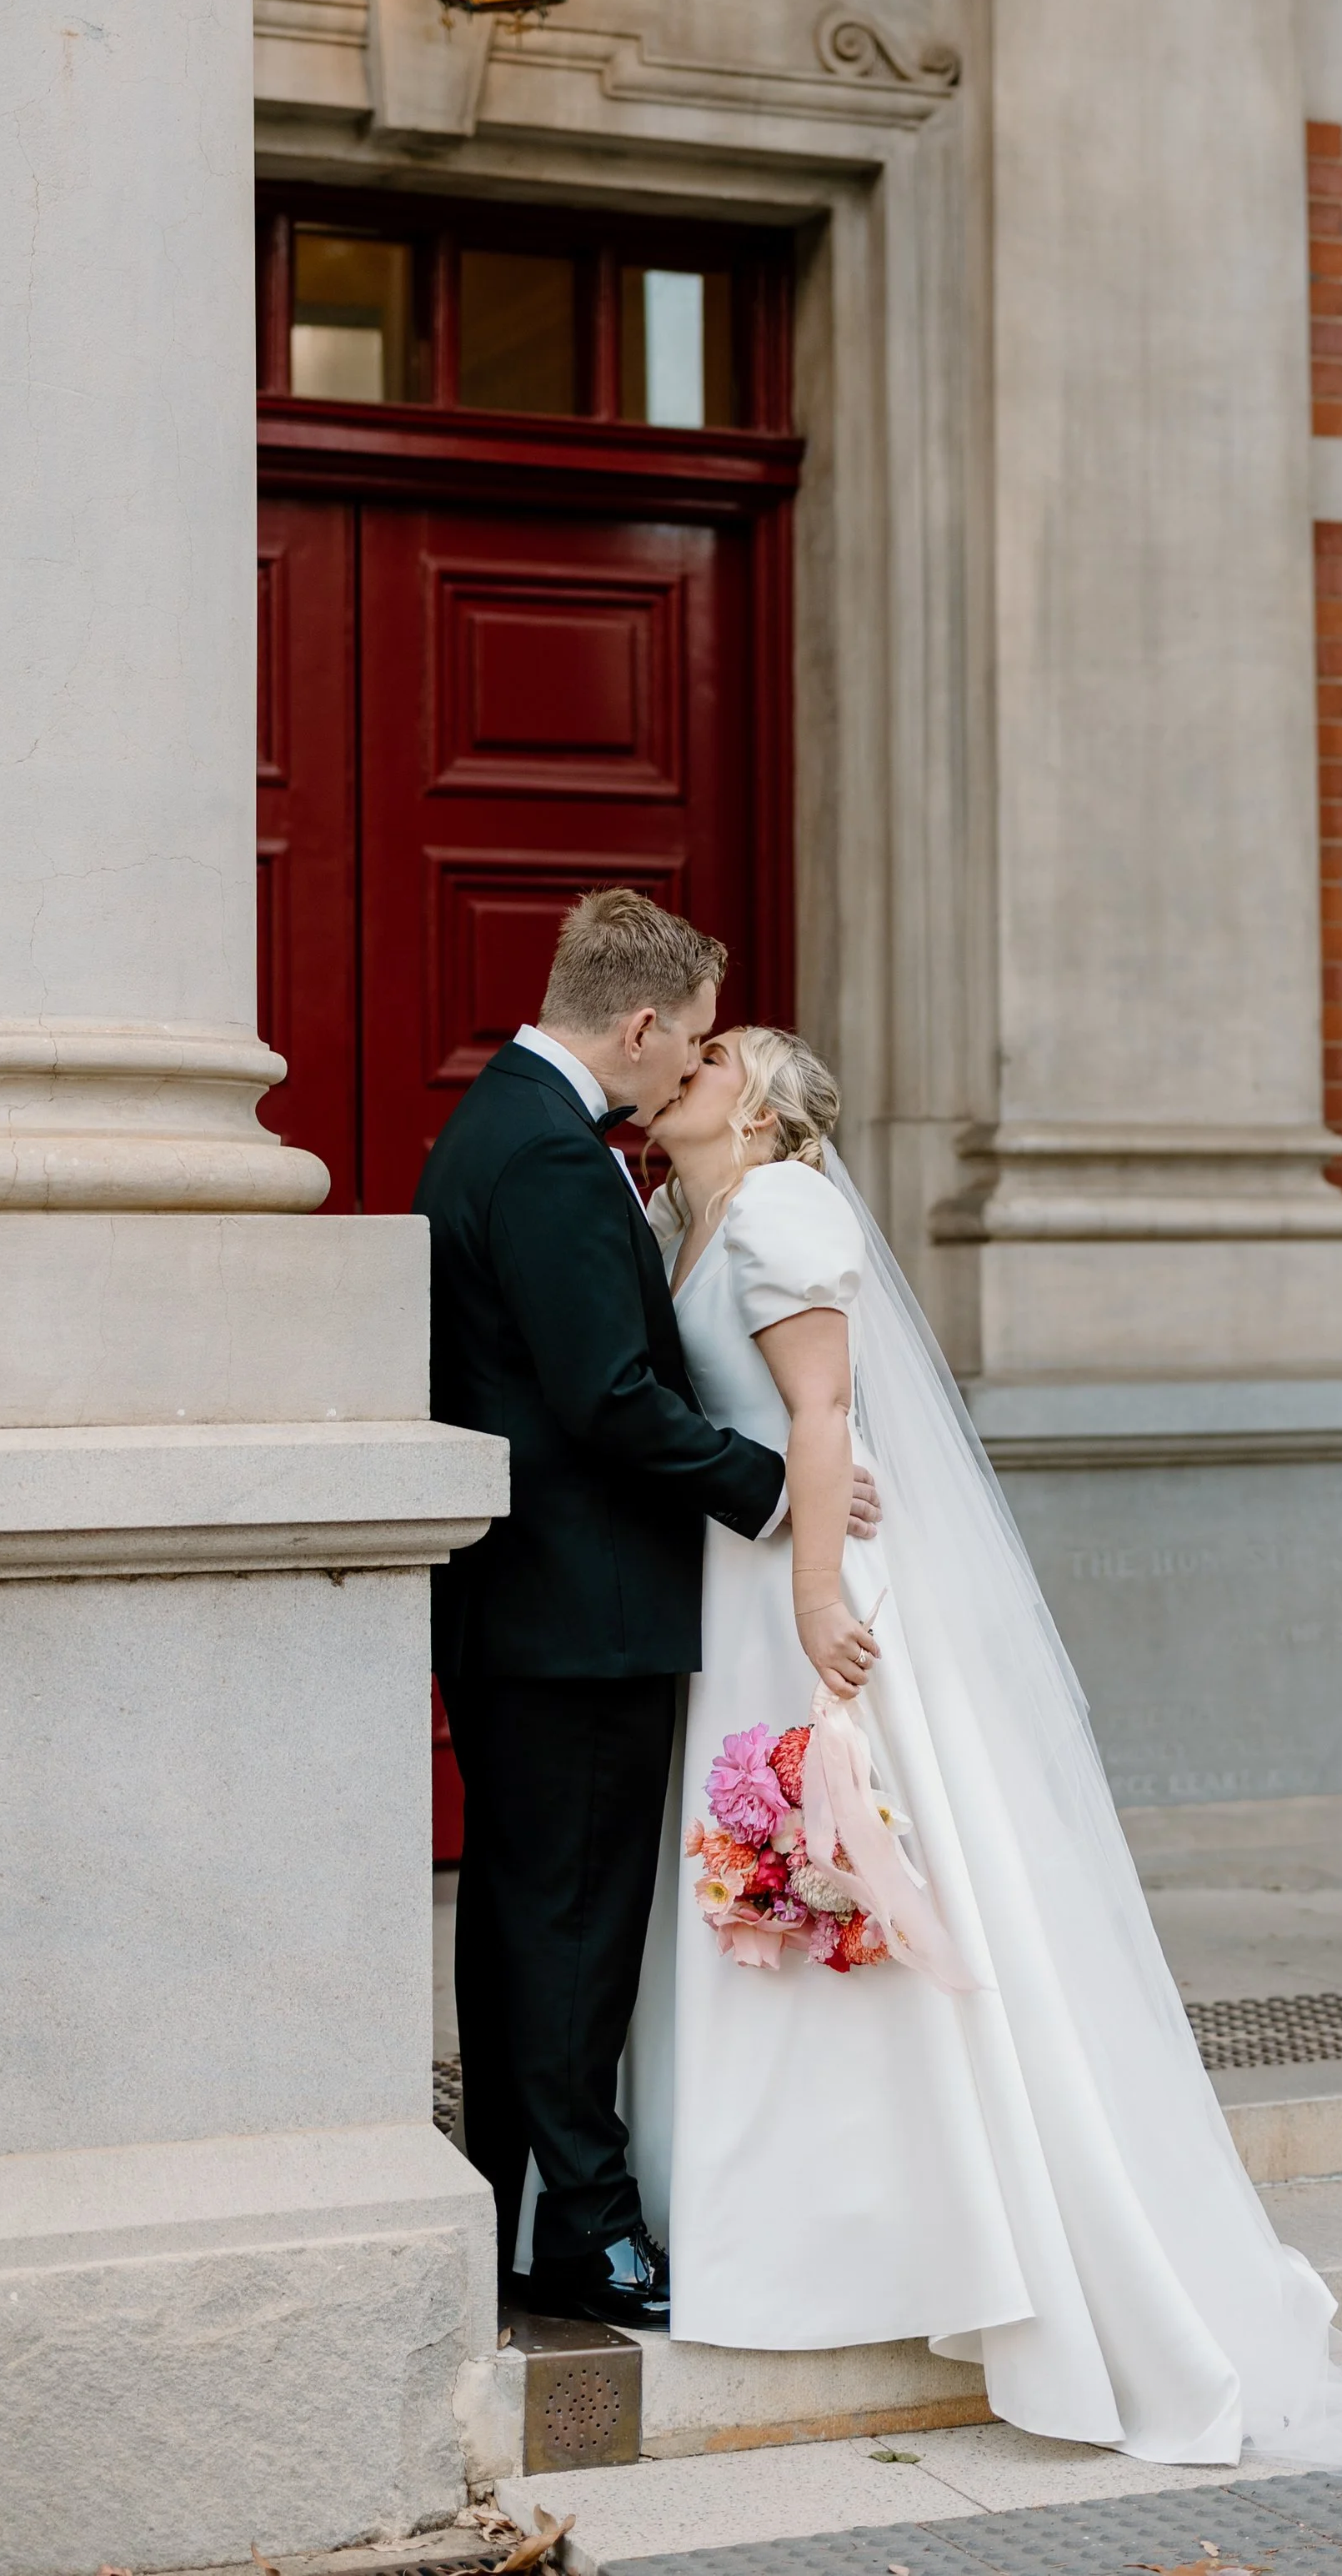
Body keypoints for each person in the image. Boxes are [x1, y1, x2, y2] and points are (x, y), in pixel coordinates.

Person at [619, 1019, 1342, 2477]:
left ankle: (942, 2241)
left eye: (720, 1056)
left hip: (805, 1591)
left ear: (764, 1113)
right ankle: (783, 2228)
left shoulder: (780, 1206)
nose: (693, 1065)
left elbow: (824, 1410)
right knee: (780, 1886)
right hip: (738, 1584)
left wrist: (821, 1589)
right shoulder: (683, 1215)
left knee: (870, 1880)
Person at [416, 891, 879, 2328]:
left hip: (535, 1611)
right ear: (636, 1022)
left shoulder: (505, 1124)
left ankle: (505, 2199)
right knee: (569, 1934)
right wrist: (781, 1491)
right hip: (578, 1617)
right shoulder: (552, 1155)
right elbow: (607, 1401)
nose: (686, 1068)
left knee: (521, 1923)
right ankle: (595, 2241)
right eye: (683, 1040)